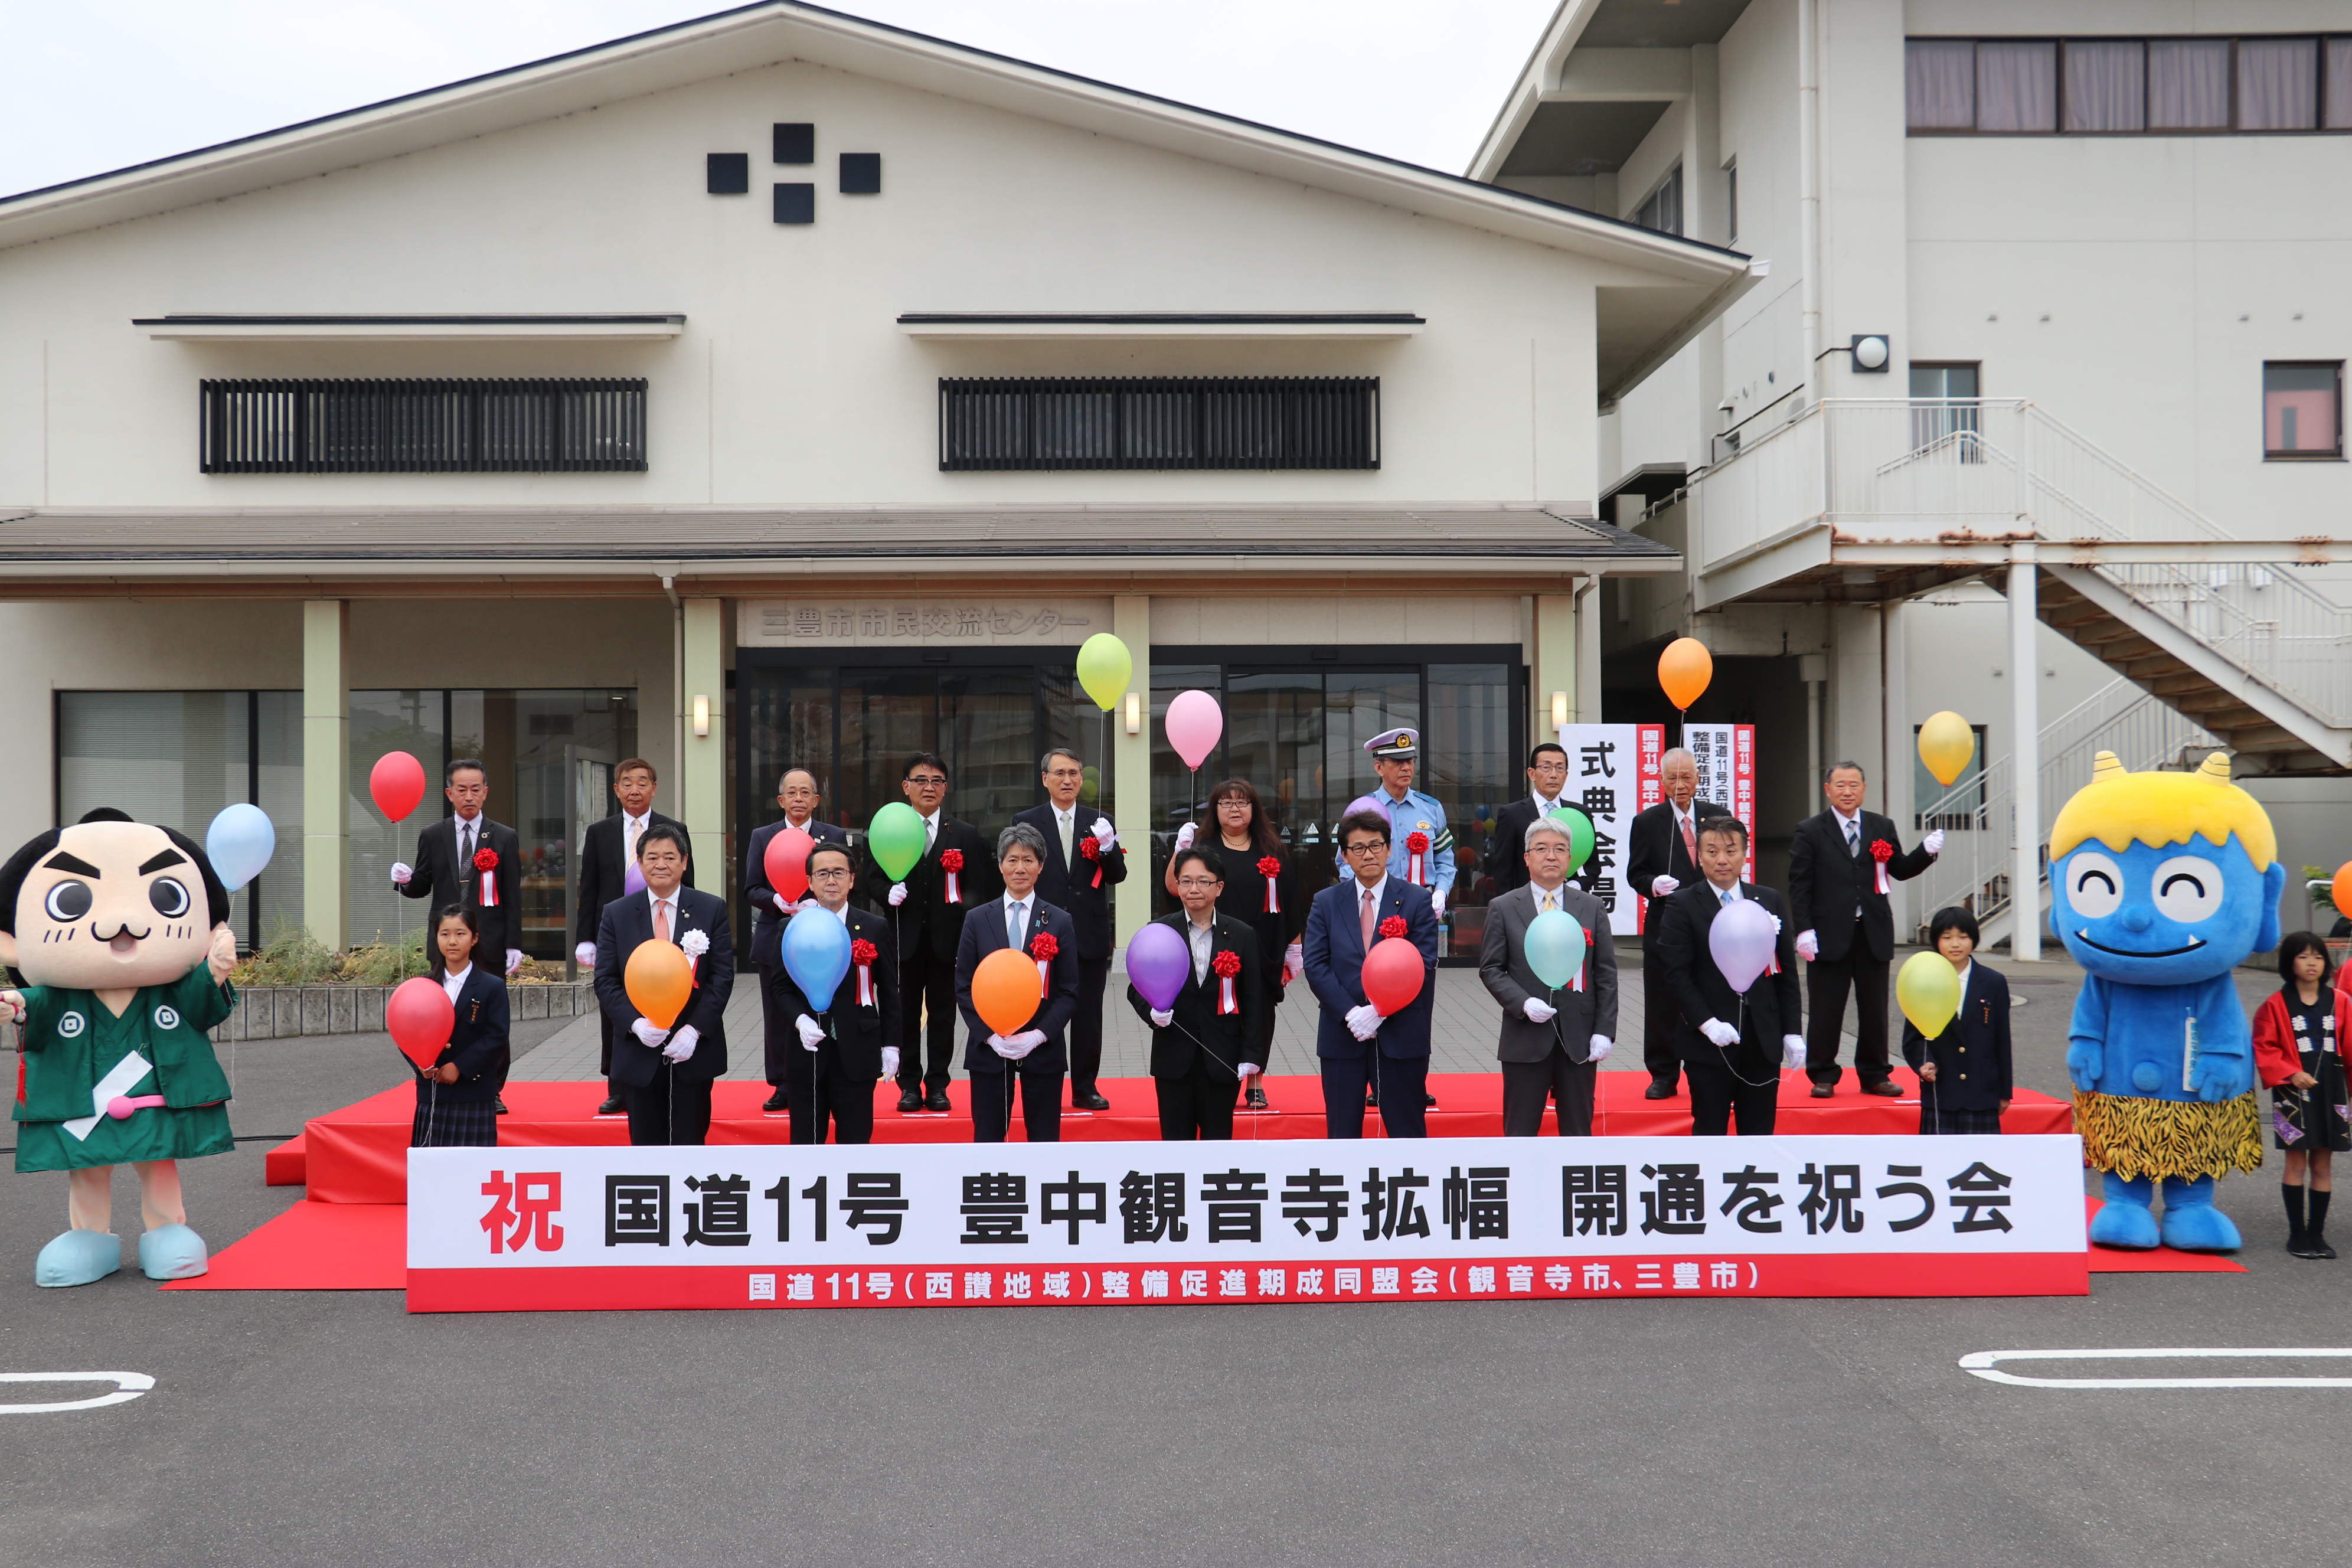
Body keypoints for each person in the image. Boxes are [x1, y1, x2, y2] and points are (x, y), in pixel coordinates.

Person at [1789, 760, 1940, 1099]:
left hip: (1872, 931)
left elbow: (1898, 869)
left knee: (1874, 1008)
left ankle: (1875, 1075)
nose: (1847, 791)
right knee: (1827, 1007)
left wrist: (1925, 853)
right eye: (1840, 785)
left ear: (1864, 789)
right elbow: (1800, 886)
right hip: (1828, 934)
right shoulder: (1810, 830)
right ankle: (1823, 1075)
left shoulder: (1881, 826)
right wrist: (1804, 931)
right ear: (1827, 790)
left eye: (1854, 784)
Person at [1655, 816, 1805, 1136]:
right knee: (1710, 1131)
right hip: (1708, 1044)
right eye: (1711, 851)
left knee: (1760, 1132)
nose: (1722, 860)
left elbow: (1786, 974)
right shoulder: (1681, 904)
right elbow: (1676, 974)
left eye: (1730, 850)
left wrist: (1792, 1031)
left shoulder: (1769, 899)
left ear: (1745, 853)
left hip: (1763, 1040)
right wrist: (1707, 1023)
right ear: (1699, 856)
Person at [866, 753, 998, 1115]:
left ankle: (938, 1084)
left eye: (937, 780)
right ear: (906, 786)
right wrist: (885, 894)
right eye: (921, 780)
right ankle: (908, 1085)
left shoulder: (965, 835)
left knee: (944, 1016)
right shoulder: (886, 828)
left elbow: (977, 893)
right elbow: (871, 879)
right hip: (902, 943)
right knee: (905, 1016)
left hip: (949, 944)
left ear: (945, 787)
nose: (929, 787)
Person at [592, 825, 734, 1146]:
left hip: (692, 1054)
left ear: (685, 862)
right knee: (646, 1149)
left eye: (670, 856)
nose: (661, 864)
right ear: (639, 864)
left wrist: (693, 1031)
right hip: (638, 1053)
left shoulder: (711, 909)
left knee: (690, 1144)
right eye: (652, 857)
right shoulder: (618, 914)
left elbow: (722, 977)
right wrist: (635, 1024)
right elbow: (606, 980)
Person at [1304, 809, 1442, 1138]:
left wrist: (1380, 1010)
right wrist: (1352, 1013)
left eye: (1376, 845)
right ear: (1345, 855)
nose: (1369, 855)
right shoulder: (1325, 902)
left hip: (1401, 1034)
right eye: (1358, 848)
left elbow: (1423, 964)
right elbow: (1316, 964)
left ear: (1390, 849)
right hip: (1343, 1034)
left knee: (1406, 1130)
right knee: (1342, 1133)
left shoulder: (1416, 900)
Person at [1478, 816, 1619, 1136]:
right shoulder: (1503, 907)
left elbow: (1606, 974)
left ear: (1571, 858)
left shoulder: (1592, 907)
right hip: (1525, 1036)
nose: (1551, 856)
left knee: (1578, 1131)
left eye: (1560, 849)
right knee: (1520, 1131)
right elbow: (1491, 969)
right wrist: (1523, 1003)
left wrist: (1604, 1030)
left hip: (1579, 1036)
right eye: (1541, 849)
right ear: (1527, 858)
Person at [1169, 778, 1302, 1112]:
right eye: (1226, 802)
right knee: (1221, 1011)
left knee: (1260, 1011)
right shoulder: (1204, 845)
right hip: (1217, 941)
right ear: (1215, 810)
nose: (1235, 809)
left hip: (1264, 944)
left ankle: (1255, 1082)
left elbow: (1291, 899)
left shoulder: (1271, 848)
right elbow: (1175, 886)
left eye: (1242, 802)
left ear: (1254, 809)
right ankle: (1220, 1074)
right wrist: (1178, 851)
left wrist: (1294, 949)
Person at [573, 757, 694, 1118]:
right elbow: (590, 887)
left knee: (669, 1002)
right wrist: (586, 938)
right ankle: (618, 1087)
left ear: (654, 788)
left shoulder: (675, 828)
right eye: (627, 783)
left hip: (666, 930)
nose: (635, 790)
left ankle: (668, 1074)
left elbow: (689, 887)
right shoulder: (600, 832)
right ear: (616, 790)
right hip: (617, 932)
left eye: (643, 782)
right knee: (617, 1010)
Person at [1013, 747, 1127, 1112]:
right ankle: (1042, 1083)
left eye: (1074, 773)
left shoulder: (1099, 821)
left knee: (1088, 1015)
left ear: (1082, 779)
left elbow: (1117, 876)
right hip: (1042, 935)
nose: (1067, 780)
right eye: (1060, 773)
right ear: (1045, 778)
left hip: (1088, 934)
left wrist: (1108, 847)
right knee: (1042, 1011)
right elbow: (1018, 874)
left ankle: (1085, 1087)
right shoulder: (1027, 822)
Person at [1129, 847, 1268, 1140]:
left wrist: (1252, 1055)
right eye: (1186, 881)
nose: (1194, 889)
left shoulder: (1242, 935)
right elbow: (1135, 987)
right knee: (1175, 1145)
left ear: (1219, 887)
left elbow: (1256, 1000)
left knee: (1218, 1144)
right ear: (1177, 886)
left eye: (1203, 881)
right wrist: (1152, 1013)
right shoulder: (1159, 932)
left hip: (1223, 1059)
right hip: (1173, 1060)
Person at [953, 824, 1079, 1144]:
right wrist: (990, 1036)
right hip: (989, 1049)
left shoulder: (1060, 921)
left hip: (1043, 1049)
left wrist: (1038, 1035)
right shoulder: (978, 919)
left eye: (1028, 860)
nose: (1020, 868)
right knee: (989, 1139)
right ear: (1000, 866)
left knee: (1045, 1139)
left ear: (1040, 866)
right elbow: (964, 986)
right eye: (1012, 860)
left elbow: (1068, 992)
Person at [769, 841, 899, 1146]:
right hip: (806, 1055)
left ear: (853, 879)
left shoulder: (874, 927)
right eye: (823, 873)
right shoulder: (791, 928)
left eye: (839, 872)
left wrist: (892, 1046)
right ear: (810, 882)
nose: (831, 880)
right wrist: (800, 1021)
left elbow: (890, 991)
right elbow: (779, 987)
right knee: (806, 1145)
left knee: (855, 1146)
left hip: (856, 1053)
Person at [1624, 747, 1732, 1100]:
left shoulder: (1718, 817)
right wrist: (1653, 884)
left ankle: (1713, 1069)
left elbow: (1731, 863)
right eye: (1672, 777)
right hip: (1667, 924)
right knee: (1662, 1002)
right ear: (1662, 781)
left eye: (1686, 777)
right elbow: (1635, 873)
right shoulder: (1647, 821)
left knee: (1713, 996)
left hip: (1714, 925)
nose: (1680, 784)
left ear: (1698, 778)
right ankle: (1663, 1074)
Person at [742, 767, 847, 1117]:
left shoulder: (832, 835)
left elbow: (844, 881)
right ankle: (782, 1083)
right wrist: (778, 902)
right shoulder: (763, 836)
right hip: (777, 936)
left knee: (823, 1009)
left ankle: (826, 1075)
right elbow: (752, 888)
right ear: (781, 800)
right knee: (778, 1014)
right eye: (792, 792)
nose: (799, 798)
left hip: (824, 941)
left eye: (806, 792)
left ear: (816, 800)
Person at [2254, 932, 2350, 1259]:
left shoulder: (2341, 1002)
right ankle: (2296, 1234)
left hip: (2333, 1089)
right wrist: (2291, 1072)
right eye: (2304, 956)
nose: (2312, 963)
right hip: (2291, 1091)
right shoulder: (2275, 1005)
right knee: (2296, 1161)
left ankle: (2317, 1234)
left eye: (2319, 957)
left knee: (2323, 1163)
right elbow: (2265, 1046)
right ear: (2289, 962)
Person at [394, 757, 524, 977]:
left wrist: (513, 944)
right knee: (445, 1006)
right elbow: (422, 886)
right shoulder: (433, 835)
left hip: (489, 939)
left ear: (485, 792)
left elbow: (513, 895)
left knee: (488, 1006)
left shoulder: (505, 837)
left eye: (476, 790)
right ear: (450, 794)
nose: (469, 797)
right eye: (462, 790)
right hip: (447, 940)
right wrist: (406, 880)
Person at [1900, 907, 2012, 1136]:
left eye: (1963, 937)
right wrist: (1925, 1063)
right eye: (1947, 938)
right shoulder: (1923, 980)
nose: (1955, 944)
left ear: (1974, 940)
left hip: (1982, 1092)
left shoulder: (1993, 982)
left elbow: (2002, 1039)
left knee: (1981, 1162)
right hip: (1941, 1092)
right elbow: (1914, 1038)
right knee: (1939, 1164)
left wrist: (2004, 1092)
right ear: (1936, 941)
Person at [410, 904, 510, 1148]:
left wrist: (459, 1066)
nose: (452, 941)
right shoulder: (422, 986)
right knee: (432, 1169)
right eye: (445, 934)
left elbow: (497, 1037)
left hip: (474, 1091)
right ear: (436, 938)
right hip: (432, 1091)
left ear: (474, 938)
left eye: (461, 933)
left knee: (474, 1172)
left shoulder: (491, 986)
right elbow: (407, 1030)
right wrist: (420, 1063)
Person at [1489, 742, 1574, 898]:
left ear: (1566, 774)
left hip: (1571, 902)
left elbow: (1593, 866)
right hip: (1526, 904)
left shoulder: (1578, 814)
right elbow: (1503, 870)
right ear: (1532, 773)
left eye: (1560, 768)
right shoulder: (1511, 814)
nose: (1554, 774)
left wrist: (1576, 887)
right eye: (1546, 767)